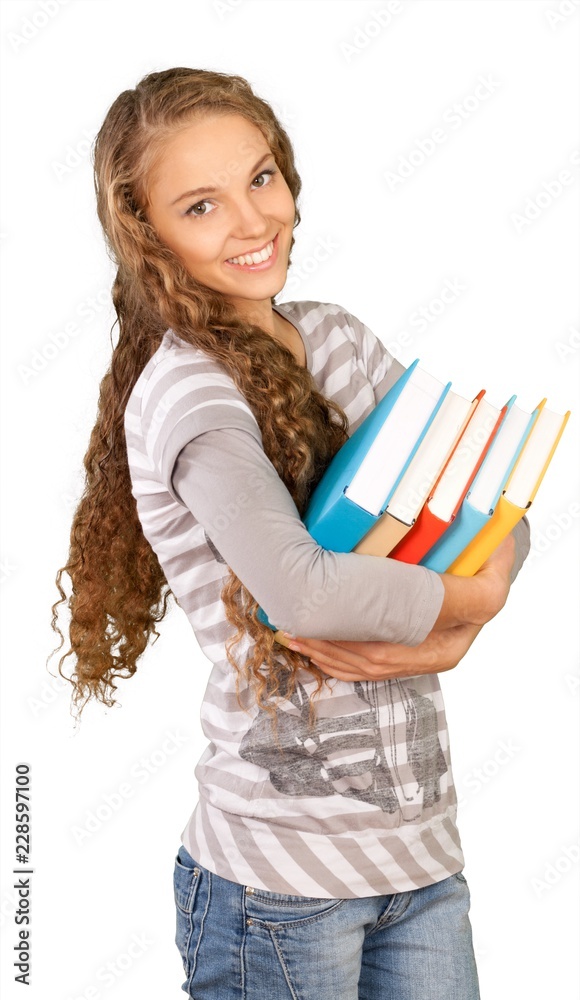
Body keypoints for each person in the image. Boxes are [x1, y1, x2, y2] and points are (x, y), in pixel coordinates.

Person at [51, 67, 530, 999]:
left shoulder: (340, 339)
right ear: (148, 238)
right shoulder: (192, 396)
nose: (251, 222)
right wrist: (472, 602)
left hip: (420, 861)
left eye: (260, 179)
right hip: (275, 887)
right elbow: (303, 590)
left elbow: (494, 505)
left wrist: (471, 612)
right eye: (202, 206)